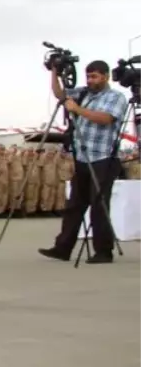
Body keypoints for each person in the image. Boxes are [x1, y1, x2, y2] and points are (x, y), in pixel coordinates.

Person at [39, 60, 128, 263]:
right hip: (82, 158)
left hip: (104, 158)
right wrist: (54, 72)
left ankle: (103, 251)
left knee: (99, 206)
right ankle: (63, 248)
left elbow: (106, 118)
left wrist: (77, 110)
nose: (90, 80)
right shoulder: (84, 93)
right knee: (74, 205)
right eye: (88, 76)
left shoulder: (115, 97)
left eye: (95, 76)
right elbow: (60, 95)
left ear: (105, 76)